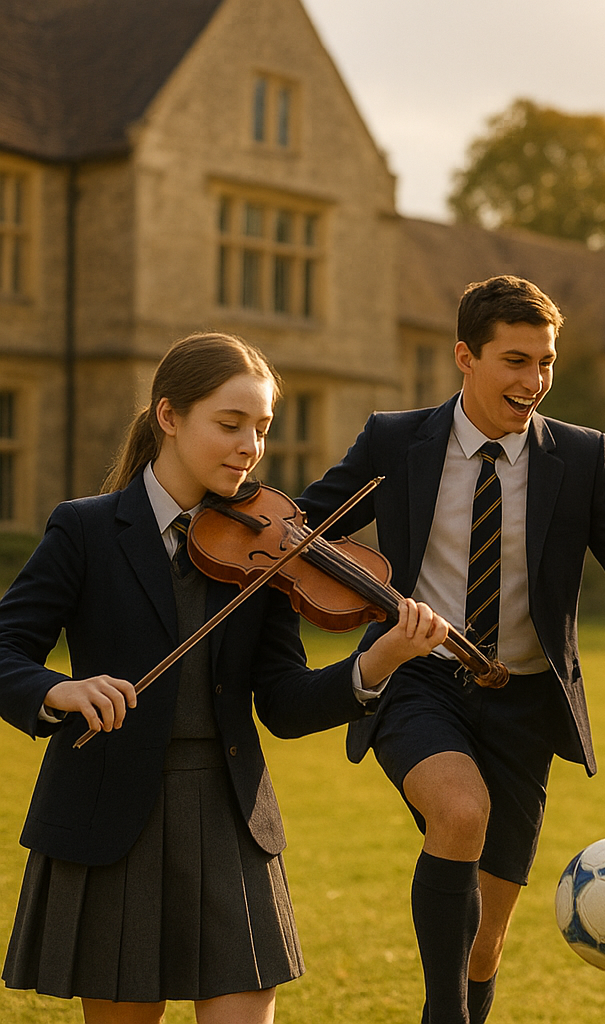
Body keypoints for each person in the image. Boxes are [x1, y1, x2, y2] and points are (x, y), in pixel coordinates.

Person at [0, 332, 448, 1024]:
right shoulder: (85, 530)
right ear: (168, 417)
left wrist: (377, 662)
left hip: (229, 815)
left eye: (262, 429)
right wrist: (59, 689)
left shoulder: (267, 545)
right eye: (230, 424)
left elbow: (285, 703)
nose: (251, 447)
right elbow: (5, 651)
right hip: (112, 815)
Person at [297, 274, 605, 1024]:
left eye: (544, 362)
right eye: (515, 360)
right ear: (464, 358)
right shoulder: (394, 439)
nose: (534, 381)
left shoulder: (579, 457)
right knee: (460, 810)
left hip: (526, 702)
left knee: (486, 941)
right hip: (419, 679)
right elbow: (307, 527)